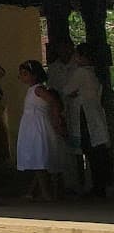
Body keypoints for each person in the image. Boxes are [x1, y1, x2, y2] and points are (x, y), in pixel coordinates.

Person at [16, 60, 64, 201]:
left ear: (34, 75)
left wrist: (56, 119)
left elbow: (53, 102)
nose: (22, 77)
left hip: (37, 127)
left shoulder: (38, 89)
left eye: (25, 74)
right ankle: (33, 192)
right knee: (38, 159)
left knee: (39, 160)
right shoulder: (32, 90)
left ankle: (46, 193)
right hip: (31, 126)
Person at [68, 45, 111, 199]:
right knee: (97, 152)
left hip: (85, 115)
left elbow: (68, 90)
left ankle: (94, 187)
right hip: (95, 115)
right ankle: (98, 185)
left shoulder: (81, 72)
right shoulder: (94, 73)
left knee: (91, 151)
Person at [44, 41, 82, 193]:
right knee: (63, 151)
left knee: (80, 149)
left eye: (67, 48)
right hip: (60, 112)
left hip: (79, 112)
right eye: (61, 48)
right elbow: (53, 92)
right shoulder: (53, 69)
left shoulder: (80, 67)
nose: (64, 51)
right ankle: (67, 185)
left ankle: (83, 183)